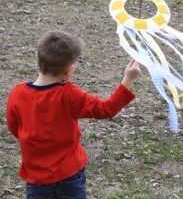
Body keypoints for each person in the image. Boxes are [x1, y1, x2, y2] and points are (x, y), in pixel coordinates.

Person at [6, 30, 141, 199]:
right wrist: (128, 79)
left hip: (36, 179)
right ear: (69, 71)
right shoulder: (69, 94)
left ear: (38, 58)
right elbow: (106, 109)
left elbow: (14, 127)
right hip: (69, 176)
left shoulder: (18, 93)